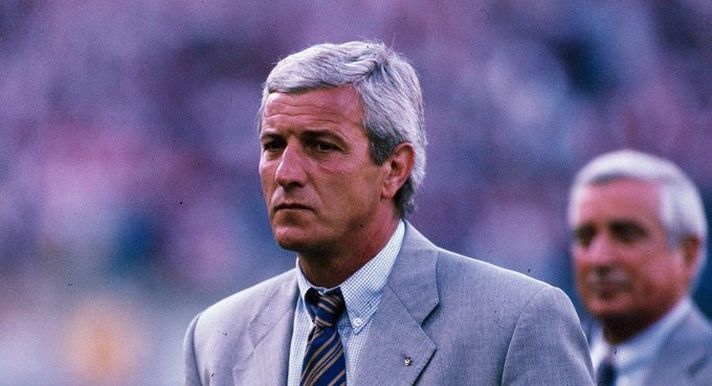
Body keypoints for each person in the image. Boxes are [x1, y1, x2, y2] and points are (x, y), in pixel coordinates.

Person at [184, 40, 593, 385]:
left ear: (395, 168)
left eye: (322, 146)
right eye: (273, 146)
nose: (286, 173)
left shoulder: (517, 322)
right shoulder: (216, 338)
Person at [568, 149, 712, 386]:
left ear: (688, 253)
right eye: (585, 237)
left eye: (626, 235)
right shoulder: (540, 362)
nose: (599, 259)